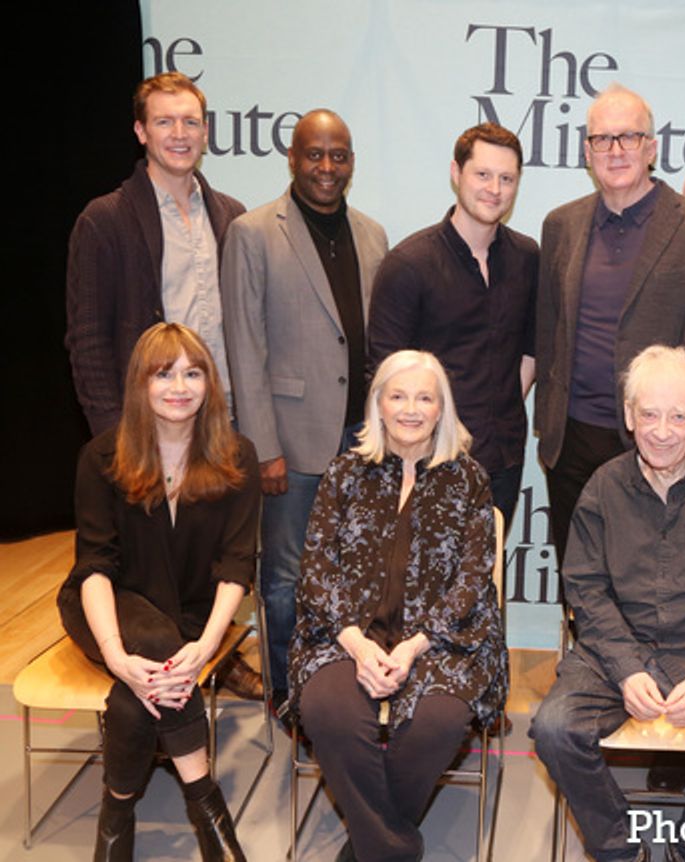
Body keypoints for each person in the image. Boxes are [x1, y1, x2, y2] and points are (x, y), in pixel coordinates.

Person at [532, 345, 685, 862]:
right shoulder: (603, 487)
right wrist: (626, 669)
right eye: (649, 415)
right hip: (613, 652)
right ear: (629, 416)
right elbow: (586, 589)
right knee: (554, 730)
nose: (662, 431)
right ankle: (620, 849)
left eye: (678, 417)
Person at [287, 350, 508, 862]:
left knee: (438, 722)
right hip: (343, 635)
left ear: (441, 408)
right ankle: (393, 848)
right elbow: (316, 567)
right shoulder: (344, 473)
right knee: (329, 712)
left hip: (443, 642)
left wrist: (411, 648)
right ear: (378, 405)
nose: (411, 409)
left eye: (424, 398)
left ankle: (366, 848)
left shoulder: (469, 478)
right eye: (398, 396)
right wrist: (358, 645)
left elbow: (473, 580)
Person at [57, 323, 260, 862]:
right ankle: (209, 811)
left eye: (193, 374)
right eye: (164, 374)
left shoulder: (237, 456)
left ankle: (115, 817)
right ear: (140, 384)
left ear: (210, 383)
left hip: (190, 615)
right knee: (152, 644)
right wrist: (114, 653)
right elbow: (95, 566)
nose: (179, 387)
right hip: (106, 606)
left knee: (140, 688)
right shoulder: (101, 457)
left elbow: (237, 566)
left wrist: (208, 646)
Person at [222, 109, 388, 708]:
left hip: (361, 440)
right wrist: (263, 447)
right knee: (285, 580)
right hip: (289, 444)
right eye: (314, 154)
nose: (326, 167)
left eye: (338, 155)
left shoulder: (372, 235)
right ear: (292, 158)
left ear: (351, 163)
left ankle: (338, 693)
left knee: (355, 577)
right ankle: (288, 695)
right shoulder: (253, 233)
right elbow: (244, 346)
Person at [535, 83, 685, 567]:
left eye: (629, 137)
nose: (615, 150)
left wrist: (669, 433)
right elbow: (548, 332)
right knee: (577, 576)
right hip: (570, 441)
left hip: (651, 444)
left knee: (647, 583)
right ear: (587, 152)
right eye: (602, 139)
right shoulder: (561, 224)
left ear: (651, 148)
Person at [368, 122, 536, 530]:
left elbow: (530, 353)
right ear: (456, 173)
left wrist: (496, 409)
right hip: (427, 464)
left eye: (507, 178)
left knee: (489, 566)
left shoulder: (528, 258)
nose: (494, 189)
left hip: (503, 459)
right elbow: (383, 376)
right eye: (483, 174)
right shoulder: (409, 265)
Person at [66, 71, 245, 437]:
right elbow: (88, 340)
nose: (179, 134)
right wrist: (113, 435)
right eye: (164, 122)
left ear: (205, 132)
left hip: (225, 422)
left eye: (190, 122)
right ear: (141, 131)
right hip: (145, 428)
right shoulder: (105, 219)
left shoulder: (233, 216)